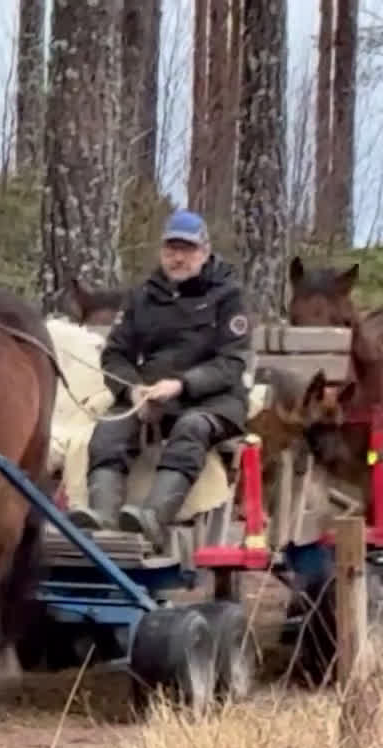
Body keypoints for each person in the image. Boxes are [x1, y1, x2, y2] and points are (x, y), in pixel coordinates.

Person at [66, 209, 254, 553]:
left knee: (192, 428)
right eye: (171, 249)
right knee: (108, 429)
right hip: (150, 395)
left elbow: (232, 362)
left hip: (213, 400)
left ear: (205, 251)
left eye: (187, 249)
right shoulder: (142, 297)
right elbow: (115, 355)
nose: (178, 258)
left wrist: (182, 385)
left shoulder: (229, 297)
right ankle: (102, 517)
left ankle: (152, 519)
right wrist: (132, 389)